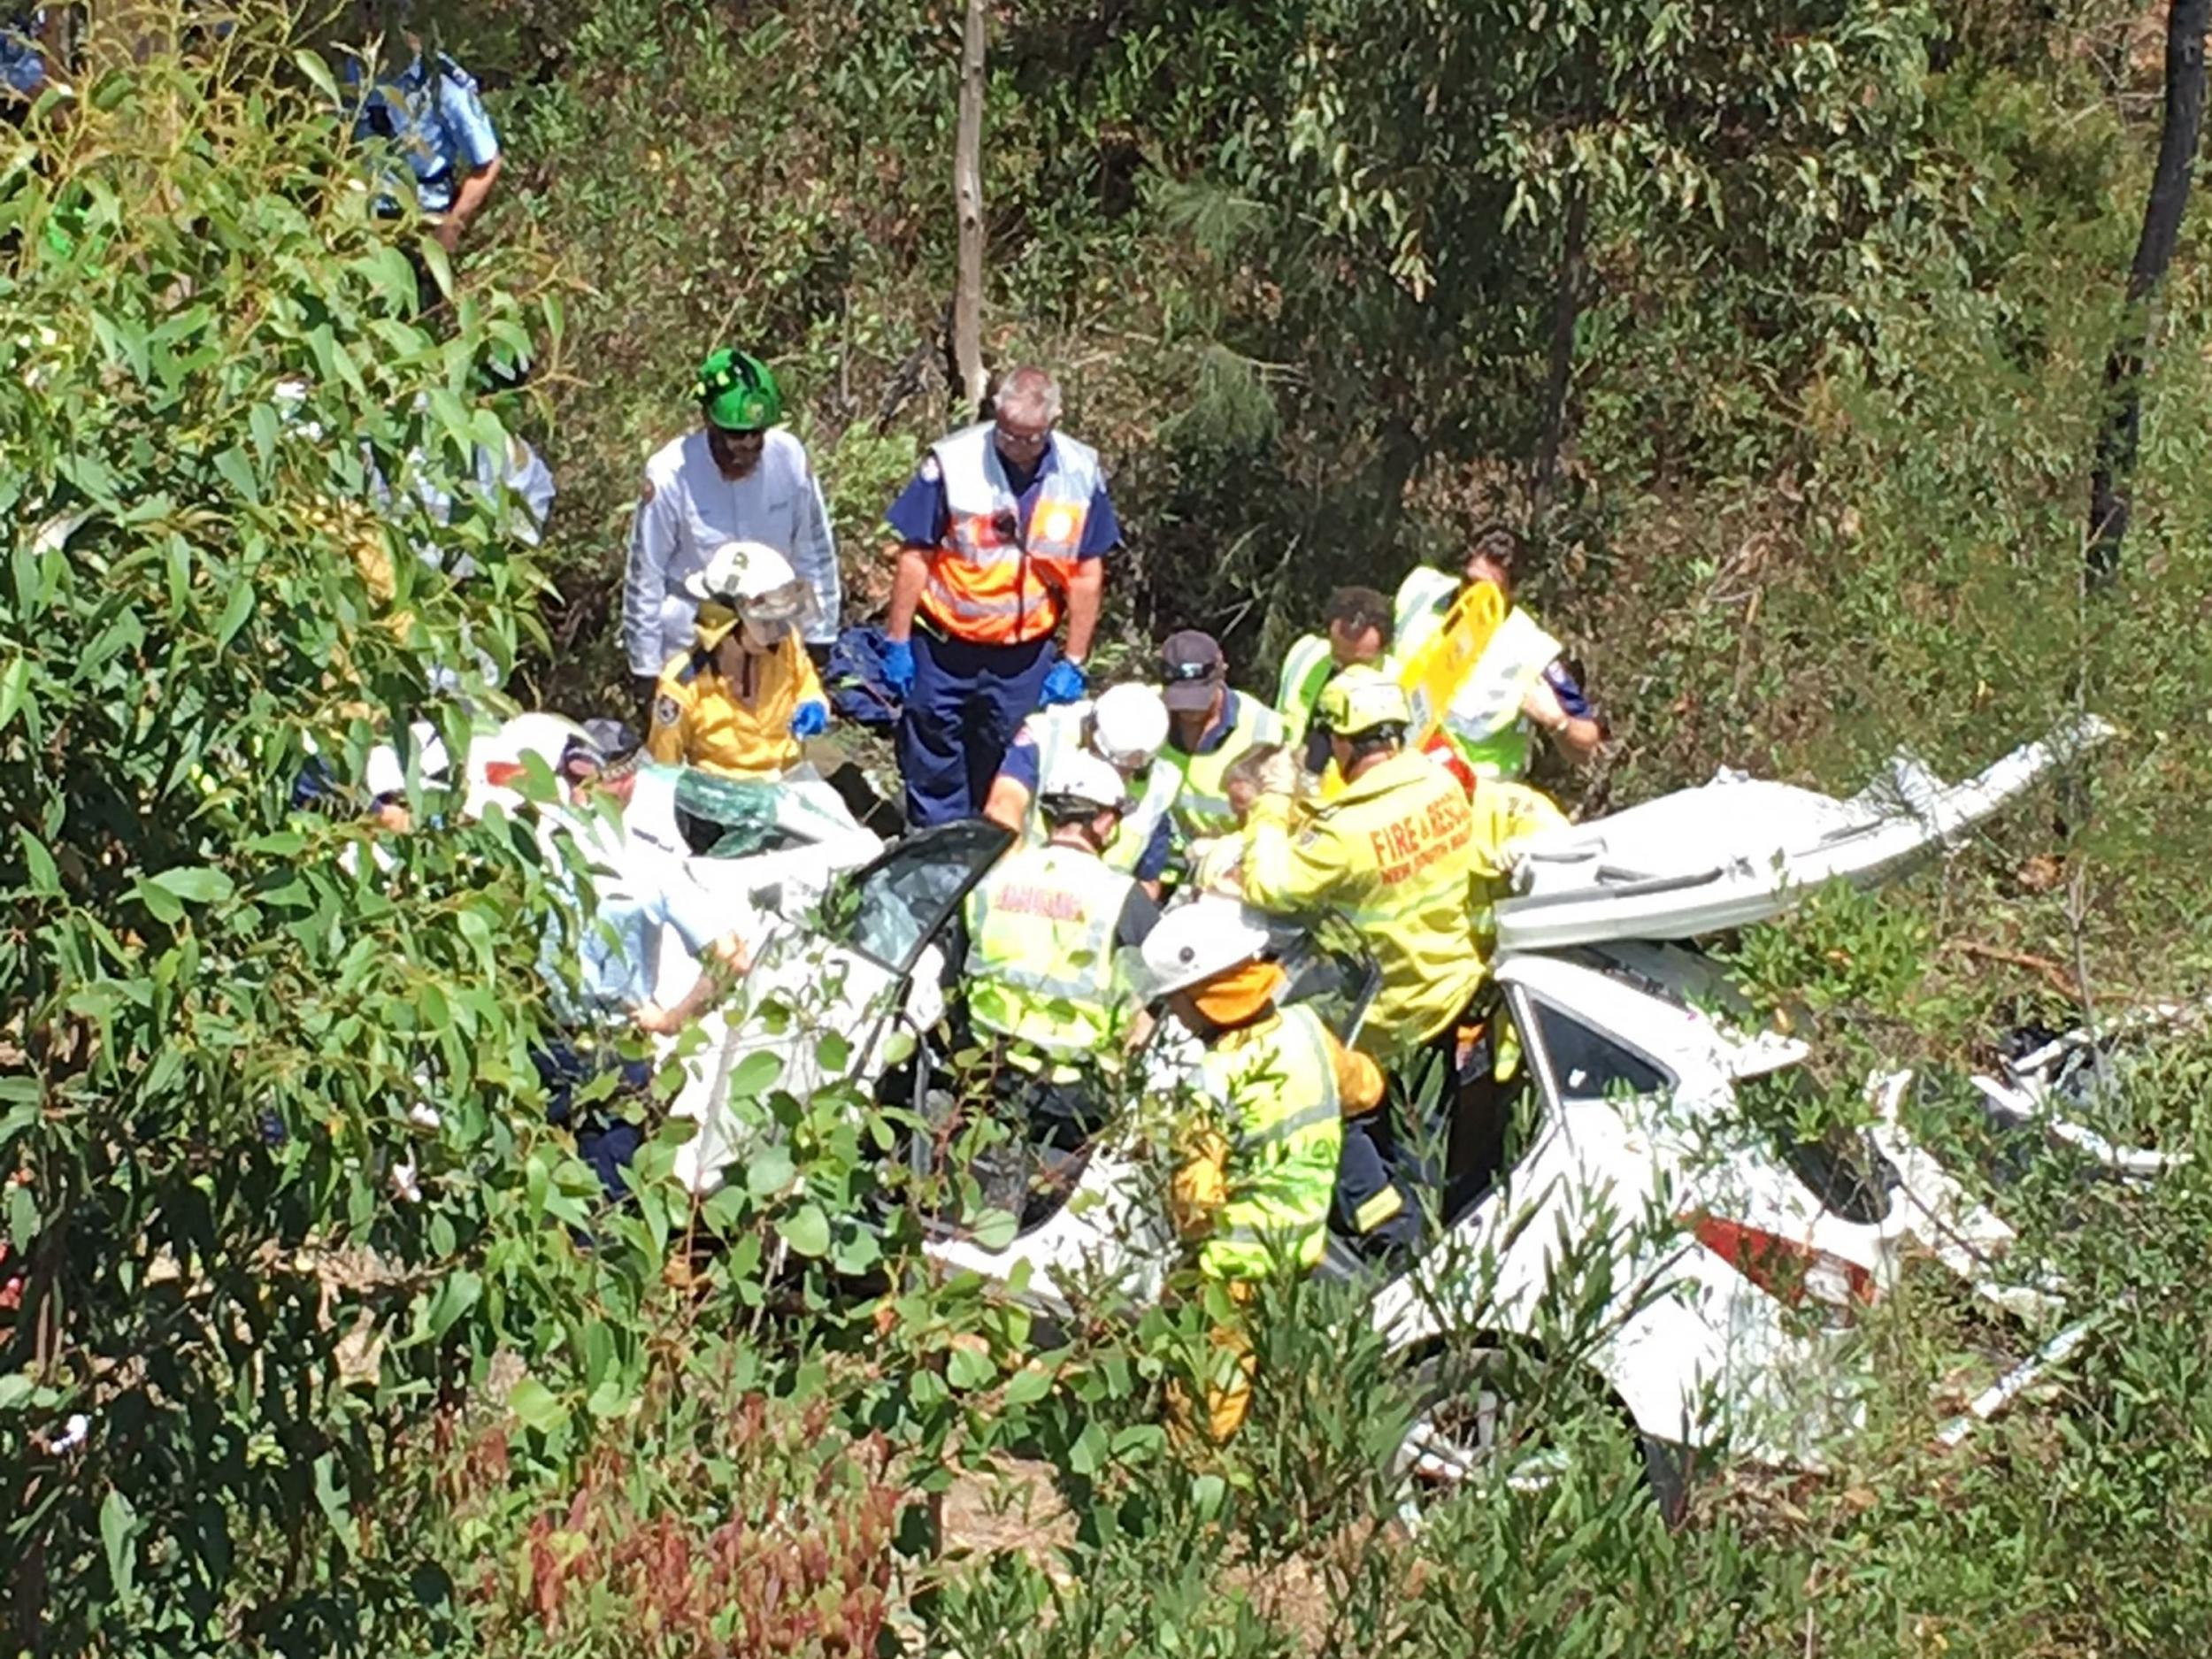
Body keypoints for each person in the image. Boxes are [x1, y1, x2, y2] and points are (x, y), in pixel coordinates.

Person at [1237, 667, 1494, 1258]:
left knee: (1366, 1124)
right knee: (1428, 1142)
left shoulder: (1345, 831)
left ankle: (1396, 1250)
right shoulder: (1440, 785)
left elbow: (1268, 884)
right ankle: (1413, 1234)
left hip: (1389, 1016)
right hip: (1455, 992)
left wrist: (1273, 801)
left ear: (1342, 741)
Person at [1146, 897, 1385, 1440]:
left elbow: (1197, 1200)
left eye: (1177, 1003)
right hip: (1299, 1247)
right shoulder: (1308, 1031)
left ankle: (1194, 1469)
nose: (1175, 1016)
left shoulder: (1212, 1078)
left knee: (1211, 1385)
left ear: (1206, 998)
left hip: (1231, 1263)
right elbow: (1365, 1087)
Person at [880, 366, 1121, 826]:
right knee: (931, 745)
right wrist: (897, 641)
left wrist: (1074, 659)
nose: (1015, 445)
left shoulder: (1080, 472)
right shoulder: (953, 463)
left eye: (1029, 437)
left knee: (1010, 753)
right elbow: (916, 555)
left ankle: (990, 849)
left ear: (1055, 421)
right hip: (946, 644)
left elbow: (1087, 574)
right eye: (1007, 432)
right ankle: (937, 845)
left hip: (1023, 654)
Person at [961, 749, 1157, 1191]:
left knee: (980, 1193)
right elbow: (1158, 991)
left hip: (988, 1073)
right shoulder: (1118, 895)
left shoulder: (993, 877)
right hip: (1074, 1092)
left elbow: (962, 959)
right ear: (1104, 822)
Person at [624, 349, 838, 694]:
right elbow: (646, 575)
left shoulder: (790, 460)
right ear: (708, 421)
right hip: (692, 639)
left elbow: (814, 551)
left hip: (770, 634)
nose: (749, 446)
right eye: (736, 435)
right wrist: (645, 668)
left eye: (757, 434)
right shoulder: (669, 474)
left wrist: (820, 636)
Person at [1394, 523, 1601, 783]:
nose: (1472, 593)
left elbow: (1586, 741)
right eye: (1469, 580)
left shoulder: (1532, 650)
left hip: (1471, 795)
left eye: (1487, 588)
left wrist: (1556, 722)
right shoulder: (1421, 590)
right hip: (1400, 770)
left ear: (1511, 590)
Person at [645, 541, 830, 780]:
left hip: (784, 785)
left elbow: (808, 686)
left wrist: (813, 704)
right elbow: (664, 769)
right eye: (766, 622)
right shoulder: (681, 686)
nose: (779, 631)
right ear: (726, 620)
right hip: (716, 799)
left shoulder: (786, 645)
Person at [981, 682, 1178, 889]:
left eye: (1126, 770)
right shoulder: (1048, 734)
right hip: (1023, 892)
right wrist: (1013, 881)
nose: (1114, 774)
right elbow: (1003, 807)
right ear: (1090, 729)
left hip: (1100, 910)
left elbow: (1148, 882)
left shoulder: (1160, 783)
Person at [346, 33, 503, 254]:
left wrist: (452, 225)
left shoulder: (444, 88)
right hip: (357, 213)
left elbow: (488, 163)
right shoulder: (355, 68)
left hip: (419, 220)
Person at [1156, 629, 1285, 851]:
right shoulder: (1144, 714)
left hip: (1230, 871)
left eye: (1199, 696)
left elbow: (1274, 827)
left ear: (1222, 673)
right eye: (1180, 697)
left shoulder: (1263, 729)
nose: (1188, 708)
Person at [1274, 586, 1397, 772]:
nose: (1345, 670)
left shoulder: (1399, 685)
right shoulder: (1305, 654)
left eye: (1359, 663)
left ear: (1384, 649)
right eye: (1338, 657)